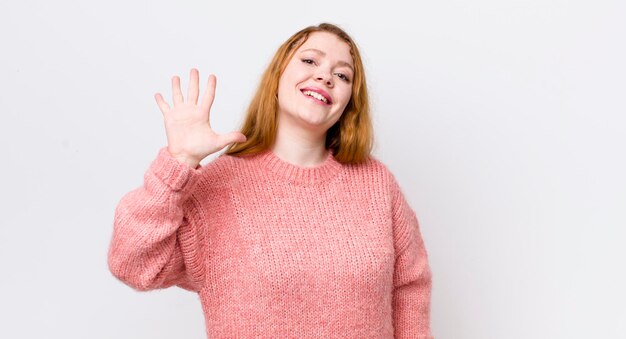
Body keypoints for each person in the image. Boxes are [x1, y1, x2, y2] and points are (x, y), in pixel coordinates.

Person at [108, 23, 433, 338]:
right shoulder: (218, 184)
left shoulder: (376, 184)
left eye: (342, 74)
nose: (325, 76)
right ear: (277, 75)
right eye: (309, 60)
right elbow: (132, 263)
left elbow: (409, 289)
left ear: (350, 103)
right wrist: (178, 162)